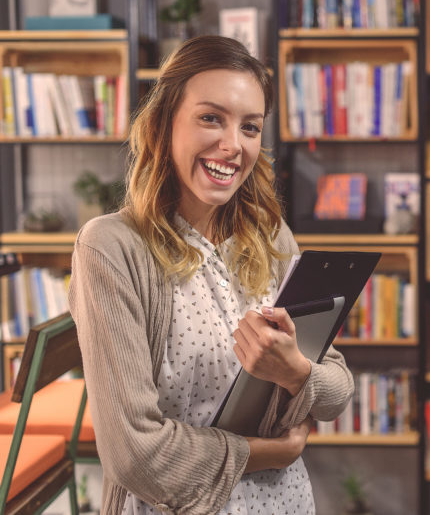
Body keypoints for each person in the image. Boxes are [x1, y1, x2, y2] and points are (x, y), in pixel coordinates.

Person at [68, 36, 354, 514]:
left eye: (250, 127)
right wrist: (264, 453)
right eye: (210, 118)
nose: (232, 146)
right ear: (163, 124)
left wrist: (297, 372)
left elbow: (338, 389)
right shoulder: (111, 248)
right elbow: (133, 456)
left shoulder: (272, 236)